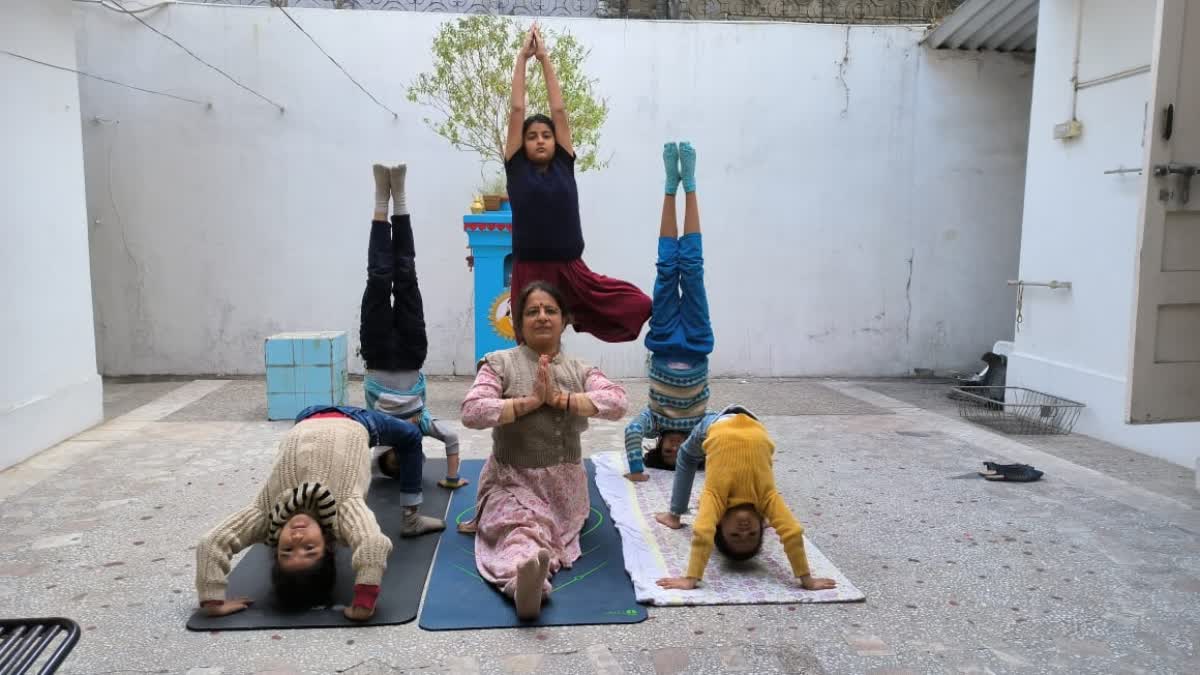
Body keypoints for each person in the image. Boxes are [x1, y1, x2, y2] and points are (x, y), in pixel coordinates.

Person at [459, 281, 628, 620]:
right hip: (511, 478)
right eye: (532, 311)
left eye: (550, 310)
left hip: (563, 488)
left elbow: (618, 402)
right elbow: (472, 411)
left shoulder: (580, 369)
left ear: (564, 320)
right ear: (518, 322)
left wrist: (561, 400)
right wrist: (528, 403)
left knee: (544, 532)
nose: (542, 317)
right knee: (517, 527)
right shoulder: (499, 363)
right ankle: (522, 580)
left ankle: (533, 571)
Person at [194, 404, 444, 622]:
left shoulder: (264, 515)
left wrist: (212, 602)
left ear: (276, 546)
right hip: (355, 419)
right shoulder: (344, 510)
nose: (297, 539)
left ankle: (396, 474)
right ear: (328, 545)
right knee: (411, 436)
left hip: (307, 416)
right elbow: (373, 545)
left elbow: (211, 544)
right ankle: (411, 516)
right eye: (310, 549)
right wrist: (364, 603)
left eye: (287, 550)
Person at [504, 24, 651, 343]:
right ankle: (536, 389)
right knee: (531, 344)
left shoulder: (563, 164)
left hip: (571, 268)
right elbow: (517, 109)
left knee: (640, 304)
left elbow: (558, 109)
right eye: (532, 137)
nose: (540, 140)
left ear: (557, 142)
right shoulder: (516, 168)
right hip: (529, 268)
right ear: (523, 144)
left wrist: (544, 58)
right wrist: (522, 59)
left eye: (546, 135)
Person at [361, 163, 464, 489]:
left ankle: (382, 198)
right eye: (402, 456)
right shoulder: (420, 429)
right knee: (405, 274)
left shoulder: (371, 433)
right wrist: (451, 479)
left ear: (381, 455)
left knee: (379, 277)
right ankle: (399, 197)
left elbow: (347, 456)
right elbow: (450, 438)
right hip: (411, 350)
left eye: (390, 457)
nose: (397, 451)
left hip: (376, 352)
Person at [653, 410, 837, 593]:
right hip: (753, 420)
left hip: (714, 422)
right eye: (752, 534)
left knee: (686, 455)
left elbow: (702, 531)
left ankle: (673, 515)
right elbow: (792, 532)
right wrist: (806, 579)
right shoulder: (767, 498)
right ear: (762, 523)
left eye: (734, 535)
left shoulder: (716, 497)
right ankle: (679, 515)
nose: (744, 530)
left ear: (719, 522)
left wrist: (691, 578)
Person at [624, 142, 713, 481]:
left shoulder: (653, 422)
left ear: (658, 445)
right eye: (679, 454)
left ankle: (668, 187)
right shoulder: (702, 427)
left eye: (666, 453)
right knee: (690, 267)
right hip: (696, 339)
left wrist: (636, 470)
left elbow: (632, 432)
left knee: (666, 268)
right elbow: (729, 428)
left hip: (661, 340)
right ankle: (689, 184)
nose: (673, 450)